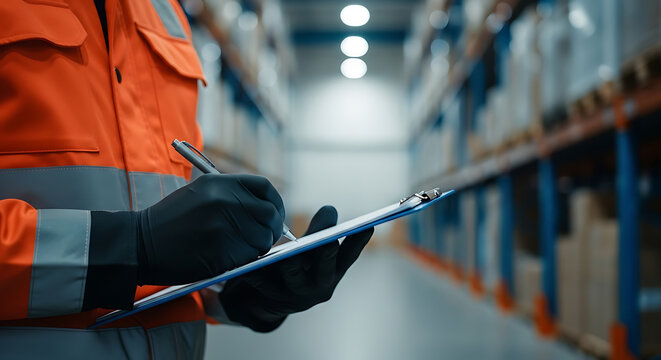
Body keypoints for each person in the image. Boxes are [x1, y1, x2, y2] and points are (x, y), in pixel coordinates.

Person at [0, 0, 373, 358]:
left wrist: (241, 294)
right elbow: (151, 243)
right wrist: (130, 247)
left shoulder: (166, 13)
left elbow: (173, 234)